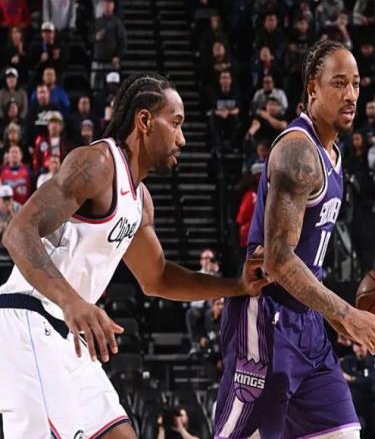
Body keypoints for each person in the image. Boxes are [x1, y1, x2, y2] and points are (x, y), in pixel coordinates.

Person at [0, 72, 268, 438]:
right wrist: (73, 301)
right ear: (144, 120)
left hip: (70, 335)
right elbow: (18, 232)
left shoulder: (140, 202)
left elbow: (157, 278)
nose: (182, 139)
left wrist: (236, 286)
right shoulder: (96, 163)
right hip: (28, 319)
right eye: (175, 123)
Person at [215, 40, 375, 439]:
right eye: (339, 83)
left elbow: (308, 263)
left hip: (308, 324)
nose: (351, 94)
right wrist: (347, 314)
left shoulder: (333, 154)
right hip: (267, 319)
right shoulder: (298, 152)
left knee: (343, 434)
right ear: (312, 87)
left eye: (356, 83)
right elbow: (277, 260)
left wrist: (341, 321)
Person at [342, 343, 375, 439]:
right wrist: (360, 380)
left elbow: (371, 380)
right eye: (357, 345)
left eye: (362, 345)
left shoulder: (374, 362)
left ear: (367, 346)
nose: (360, 348)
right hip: (355, 409)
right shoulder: (347, 361)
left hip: (372, 408)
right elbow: (341, 377)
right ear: (353, 347)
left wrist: (352, 379)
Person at [90, 0, 127, 89]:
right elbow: (89, 38)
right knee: (95, 87)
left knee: (112, 87)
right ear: (102, 6)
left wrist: (118, 56)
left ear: (113, 6)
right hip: (97, 61)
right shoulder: (97, 22)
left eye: (110, 4)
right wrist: (95, 37)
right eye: (106, 4)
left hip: (111, 62)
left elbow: (123, 42)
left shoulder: (117, 22)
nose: (107, 6)